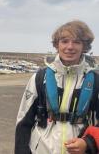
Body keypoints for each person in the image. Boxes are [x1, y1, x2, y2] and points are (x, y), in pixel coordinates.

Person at [15, 20, 99, 154]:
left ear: (84, 46)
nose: (70, 47)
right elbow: (23, 121)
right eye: (64, 41)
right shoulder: (39, 78)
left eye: (76, 42)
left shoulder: (95, 82)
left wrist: (87, 143)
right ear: (57, 45)